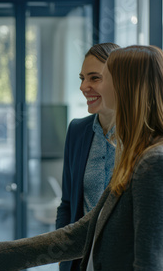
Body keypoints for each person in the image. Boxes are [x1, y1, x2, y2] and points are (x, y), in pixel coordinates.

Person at [0, 45, 163, 270]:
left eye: (106, 78)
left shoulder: (157, 162)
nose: (89, 87)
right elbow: (84, 233)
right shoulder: (139, 155)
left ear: (131, 89)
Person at [56, 42, 119, 271]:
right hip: (80, 262)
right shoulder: (77, 131)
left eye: (94, 78)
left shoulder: (141, 140)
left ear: (118, 80)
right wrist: (63, 261)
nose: (84, 86)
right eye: (82, 78)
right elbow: (67, 205)